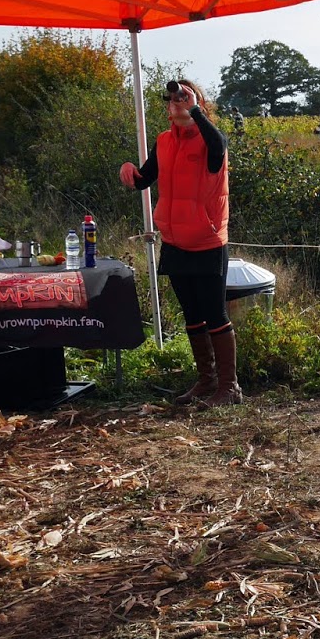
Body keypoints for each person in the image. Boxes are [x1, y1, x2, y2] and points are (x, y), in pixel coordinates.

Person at [119, 78, 241, 407]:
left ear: (200, 104)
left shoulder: (211, 140)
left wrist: (194, 109)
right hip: (174, 240)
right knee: (192, 315)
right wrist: (131, 170)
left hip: (207, 239)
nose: (178, 104)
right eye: (173, 100)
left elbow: (219, 144)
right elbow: (145, 179)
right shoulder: (164, 141)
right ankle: (206, 381)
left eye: (185, 99)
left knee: (214, 314)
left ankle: (229, 388)